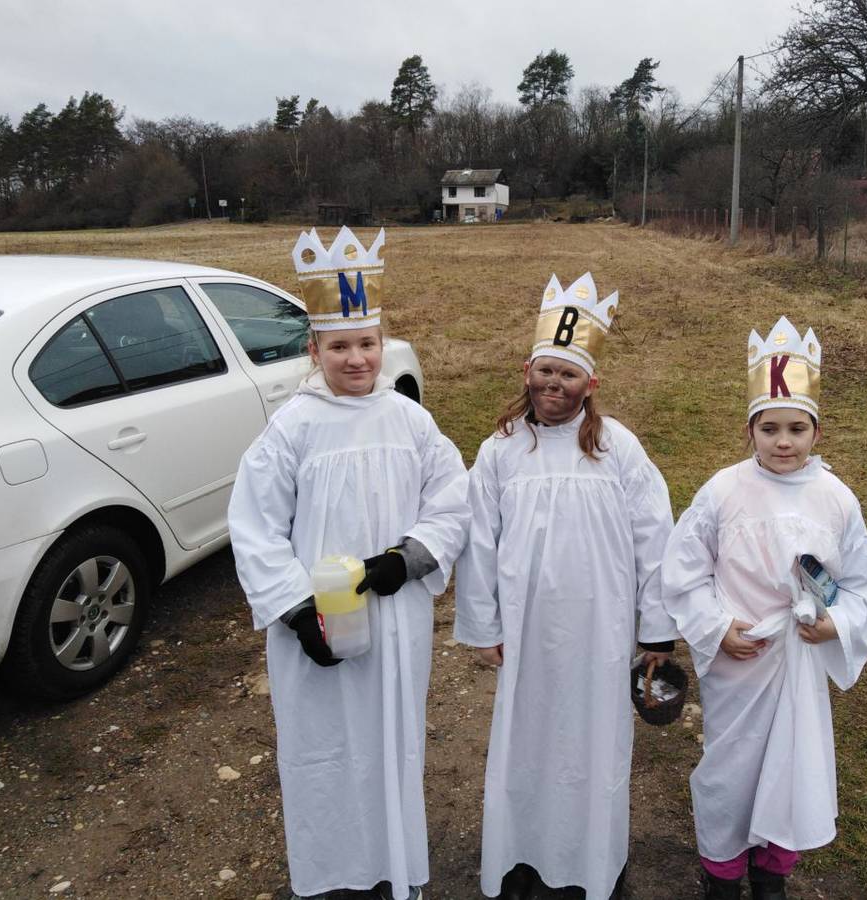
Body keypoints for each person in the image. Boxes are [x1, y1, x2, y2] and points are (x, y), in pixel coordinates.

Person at [228, 226, 470, 900]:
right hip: (323, 624)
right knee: (325, 753)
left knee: (393, 746)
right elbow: (252, 524)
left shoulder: (410, 421)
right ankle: (335, 874)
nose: (357, 359)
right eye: (340, 346)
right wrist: (296, 611)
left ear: (382, 344)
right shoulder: (293, 428)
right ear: (315, 350)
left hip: (395, 621)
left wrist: (409, 558)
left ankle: (398, 870)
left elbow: (453, 496)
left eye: (367, 344)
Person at [454, 273, 678, 900]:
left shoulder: (618, 450)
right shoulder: (500, 451)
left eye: (569, 376)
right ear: (527, 370)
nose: (555, 386)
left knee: (593, 740)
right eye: (546, 372)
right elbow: (479, 540)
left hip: (598, 628)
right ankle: (522, 852)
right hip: (526, 627)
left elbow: (654, 536)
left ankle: (590, 855)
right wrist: (485, 624)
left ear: (592, 383)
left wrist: (655, 628)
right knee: (526, 738)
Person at [662, 316, 867, 900]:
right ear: (750, 430)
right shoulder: (723, 491)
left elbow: (863, 583)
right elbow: (684, 570)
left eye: (795, 429)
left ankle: (772, 870)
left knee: (790, 763)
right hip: (741, 657)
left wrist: (837, 621)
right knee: (731, 765)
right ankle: (723, 871)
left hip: (799, 659)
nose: (782, 442)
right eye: (769, 429)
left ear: (816, 430)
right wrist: (715, 627)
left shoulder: (836, 499)